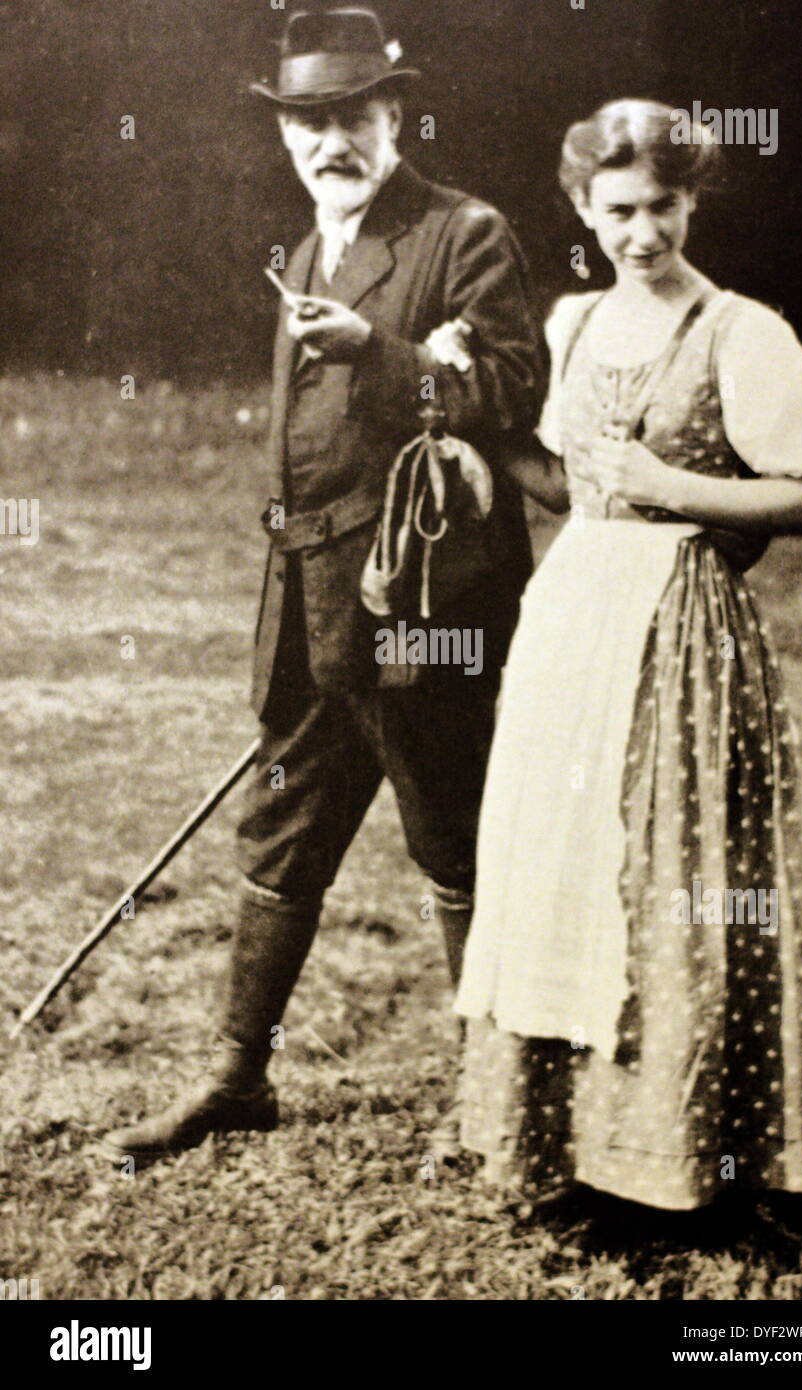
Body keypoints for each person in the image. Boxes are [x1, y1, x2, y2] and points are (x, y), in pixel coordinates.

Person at [101, 8, 548, 1165]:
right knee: (284, 826)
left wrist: (383, 356)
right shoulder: (306, 249)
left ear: (395, 115)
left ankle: (495, 1103)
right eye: (307, 121)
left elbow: (511, 389)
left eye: (352, 116)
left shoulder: (463, 233)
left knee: (449, 834)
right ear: (286, 134)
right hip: (306, 605)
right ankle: (237, 1077)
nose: (329, 140)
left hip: (422, 606)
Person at [454, 99, 802, 1209]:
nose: (642, 234)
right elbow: (570, 486)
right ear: (581, 207)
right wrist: (463, 426)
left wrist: (673, 489)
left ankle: (679, 1155)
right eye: (617, 210)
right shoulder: (571, 323)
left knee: (667, 870)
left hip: (681, 626)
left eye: (662, 208)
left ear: (689, 202)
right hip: (572, 614)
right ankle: (558, 1147)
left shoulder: (741, 330)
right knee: (557, 863)